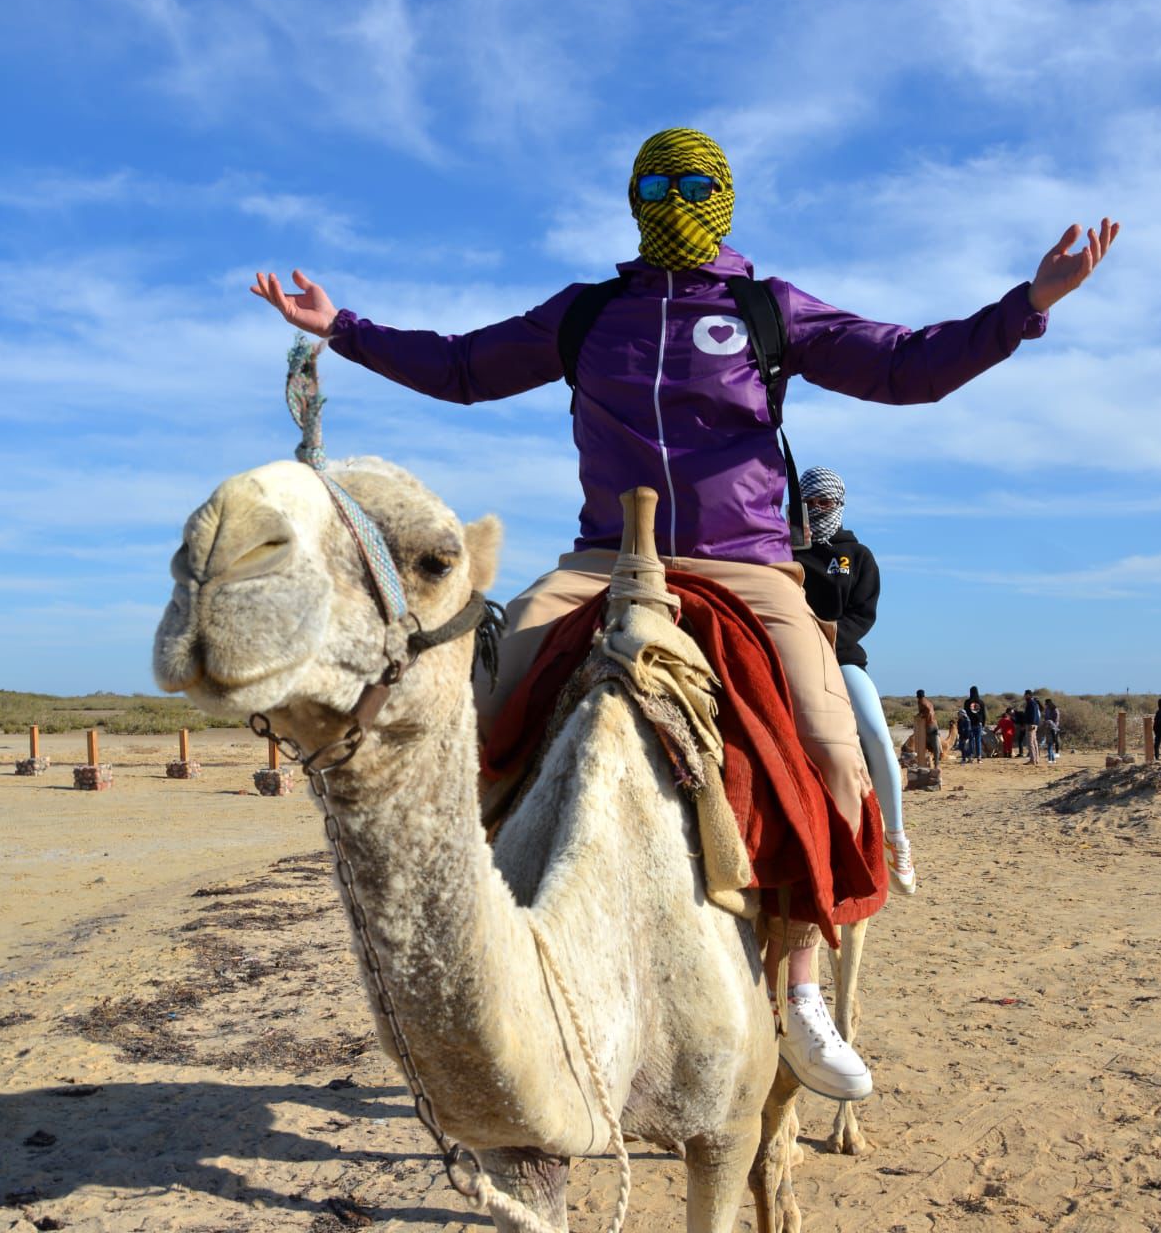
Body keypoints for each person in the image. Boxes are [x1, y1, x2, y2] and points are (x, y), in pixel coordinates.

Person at [253, 126, 1117, 1102]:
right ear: (633, 198)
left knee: (830, 745)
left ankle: (801, 985)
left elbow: (905, 365)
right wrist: (343, 327)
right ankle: (479, 940)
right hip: (604, 558)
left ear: (725, 197)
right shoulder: (589, 314)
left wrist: (1026, 306)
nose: (675, 202)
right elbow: (462, 366)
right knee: (473, 707)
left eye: (694, 186)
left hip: (745, 561)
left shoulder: (766, 309)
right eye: (657, 186)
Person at [797, 468, 916, 894]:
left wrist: (825, 640)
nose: (816, 509)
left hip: (840, 656)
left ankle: (896, 838)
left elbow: (863, 615)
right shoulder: (782, 550)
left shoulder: (858, 556)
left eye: (824, 502)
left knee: (878, 736)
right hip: (789, 653)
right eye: (808, 502)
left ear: (839, 504)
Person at [915, 690, 941, 769]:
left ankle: (924, 763)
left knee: (923, 744)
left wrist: (921, 715)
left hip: (929, 726)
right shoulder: (928, 701)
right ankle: (936, 764)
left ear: (918, 696)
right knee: (936, 746)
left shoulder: (921, 701)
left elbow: (928, 712)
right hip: (934, 725)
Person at [965, 686, 986, 763]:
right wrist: (983, 724)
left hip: (970, 724)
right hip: (978, 724)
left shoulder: (967, 702)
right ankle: (979, 758)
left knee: (971, 740)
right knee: (978, 741)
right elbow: (984, 714)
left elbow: (965, 714)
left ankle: (970, 757)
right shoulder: (981, 702)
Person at [1023, 690, 1043, 765]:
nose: (1024, 696)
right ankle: (1036, 759)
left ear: (1028, 695)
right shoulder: (1034, 703)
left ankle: (1033, 760)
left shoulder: (1031, 703)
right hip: (1034, 724)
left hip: (1031, 724)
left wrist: (1032, 723)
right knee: (1034, 742)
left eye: (1025, 694)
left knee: (1030, 743)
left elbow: (1033, 714)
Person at [1042, 696, 1060, 763]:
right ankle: (1053, 759)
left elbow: (1056, 718)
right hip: (1049, 726)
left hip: (1053, 727)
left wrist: (1053, 725)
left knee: (1051, 743)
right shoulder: (1048, 709)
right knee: (1051, 744)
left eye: (1046, 704)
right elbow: (1046, 717)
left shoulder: (1054, 709)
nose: (1045, 705)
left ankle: (1050, 759)